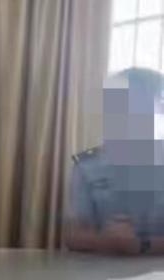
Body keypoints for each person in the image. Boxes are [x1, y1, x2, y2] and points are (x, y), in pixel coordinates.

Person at [65, 67, 164, 255]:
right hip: (101, 269)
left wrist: (142, 245)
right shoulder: (88, 166)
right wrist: (103, 241)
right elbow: (74, 234)